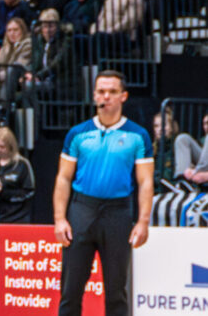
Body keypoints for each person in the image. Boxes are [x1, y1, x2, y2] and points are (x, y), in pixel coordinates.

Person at [53, 70, 153, 316]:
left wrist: (143, 221)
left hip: (118, 214)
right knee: (70, 290)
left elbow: (146, 181)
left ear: (123, 96)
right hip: (81, 211)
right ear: (94, 94)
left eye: (112, 92)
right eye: (101, 91)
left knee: (117, 292)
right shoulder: (77, 133)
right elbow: (63, 178)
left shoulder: (138, 135)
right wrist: (59, 218)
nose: (105, 96)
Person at [0, 17, 31, 99]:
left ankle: (6, 107)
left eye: (15, 30)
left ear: (22, 31)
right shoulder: (4, 48)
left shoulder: (28, 45)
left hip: (18, 82)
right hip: (2, 81)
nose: (12, 33)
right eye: (9, 30)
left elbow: (17, 68)